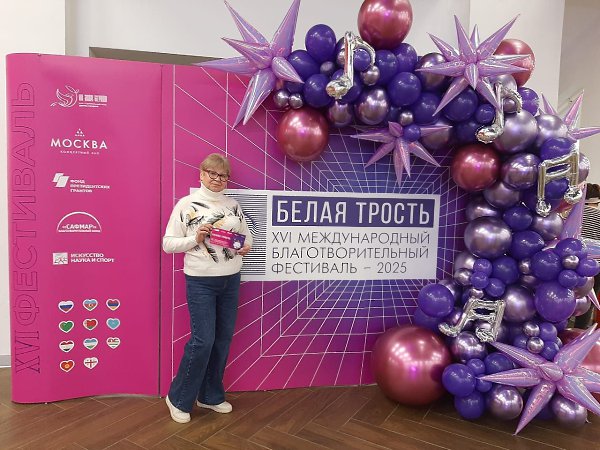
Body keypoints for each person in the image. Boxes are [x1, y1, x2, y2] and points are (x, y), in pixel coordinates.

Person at [162, 153, 252, 423]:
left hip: (230, 280)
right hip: (200, 281)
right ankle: (178, 398)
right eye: (212, 173)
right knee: (203, 341)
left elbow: (247, 238)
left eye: (223, 175)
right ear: (201, 174)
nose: (217, 179)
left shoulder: (233, 205)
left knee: (222, 340)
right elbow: (168, 244)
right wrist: (195, 238)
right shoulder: (186, 204)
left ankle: (210, 395)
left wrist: (245, 247)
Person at [575, 182, 600, 329]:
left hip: (573, 263)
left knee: (569, 297)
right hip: (596, 266)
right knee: (589, 301)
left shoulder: (573, 214)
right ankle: (580, 332)